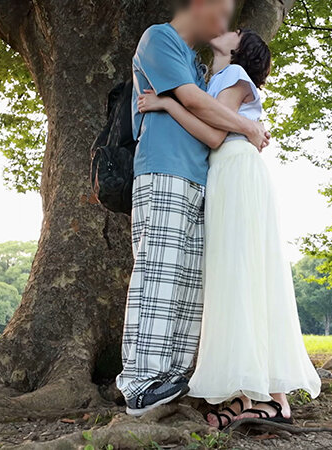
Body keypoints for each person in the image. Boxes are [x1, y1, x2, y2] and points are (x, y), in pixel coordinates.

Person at [137, 29, 321, 428]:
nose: (226, 28)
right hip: (226, 173)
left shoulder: (235, 75)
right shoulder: (216, 78)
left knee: (246, 276)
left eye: (236, 31)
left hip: (236, 170)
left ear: (240, 49)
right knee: (232, 279)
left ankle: (276, 401)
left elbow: (214, 134)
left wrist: (166, 103)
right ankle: (246, 395)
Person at [116, 0, 270, 417]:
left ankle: (173, 377)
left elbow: (210, 123)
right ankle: (140, 383)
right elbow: (193, 101)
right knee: (158, 274)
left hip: (199, 178)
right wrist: (250, 127)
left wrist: (240, 125)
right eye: (219, 13)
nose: (223, 24)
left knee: (186, 282)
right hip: (163, 168)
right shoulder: (160, 38)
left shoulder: (199, 67)